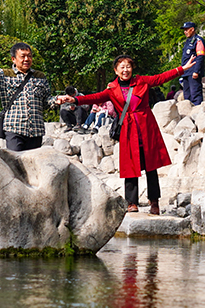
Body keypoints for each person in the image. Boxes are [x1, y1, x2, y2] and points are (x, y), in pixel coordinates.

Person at [55, 54, 197, 214]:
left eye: (128, 66)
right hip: (128, 130)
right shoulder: (112, 89)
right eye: (122, 67)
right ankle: (132, 202)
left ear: (132, 68)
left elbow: (161, 78)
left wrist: (182, 69)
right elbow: (95, 97)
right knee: (130, 166)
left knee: (151, 167)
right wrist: (74, 100)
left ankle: (154, 202)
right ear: (116, 70)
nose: (125, 70)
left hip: (146, 128)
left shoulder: (141, 81)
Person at [181, 21, 205, 106]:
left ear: (192, 29)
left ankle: (197, 111)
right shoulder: (187, 41)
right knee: (187, 96)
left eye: (186, 29)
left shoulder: (198, 40)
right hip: (185, 72)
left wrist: (196, 71)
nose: (185, 32)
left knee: (195, 94)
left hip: (193, 72)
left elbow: (200, 56)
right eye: (184, 30)